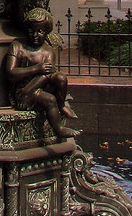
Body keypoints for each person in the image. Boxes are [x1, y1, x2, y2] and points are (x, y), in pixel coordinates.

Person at [5, 8, 78, 138]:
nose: (34, 35)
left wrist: (40, 75)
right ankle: (58, 128)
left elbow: (47, 76)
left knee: (61, 77)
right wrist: (37, 68)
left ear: (46, 32)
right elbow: (11, 73)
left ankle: (61, 105)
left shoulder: (47, 51)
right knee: (50, 100)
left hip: (38, 86)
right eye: (31, 30)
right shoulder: (17, 46)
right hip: (21, 90)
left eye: (40, 31)